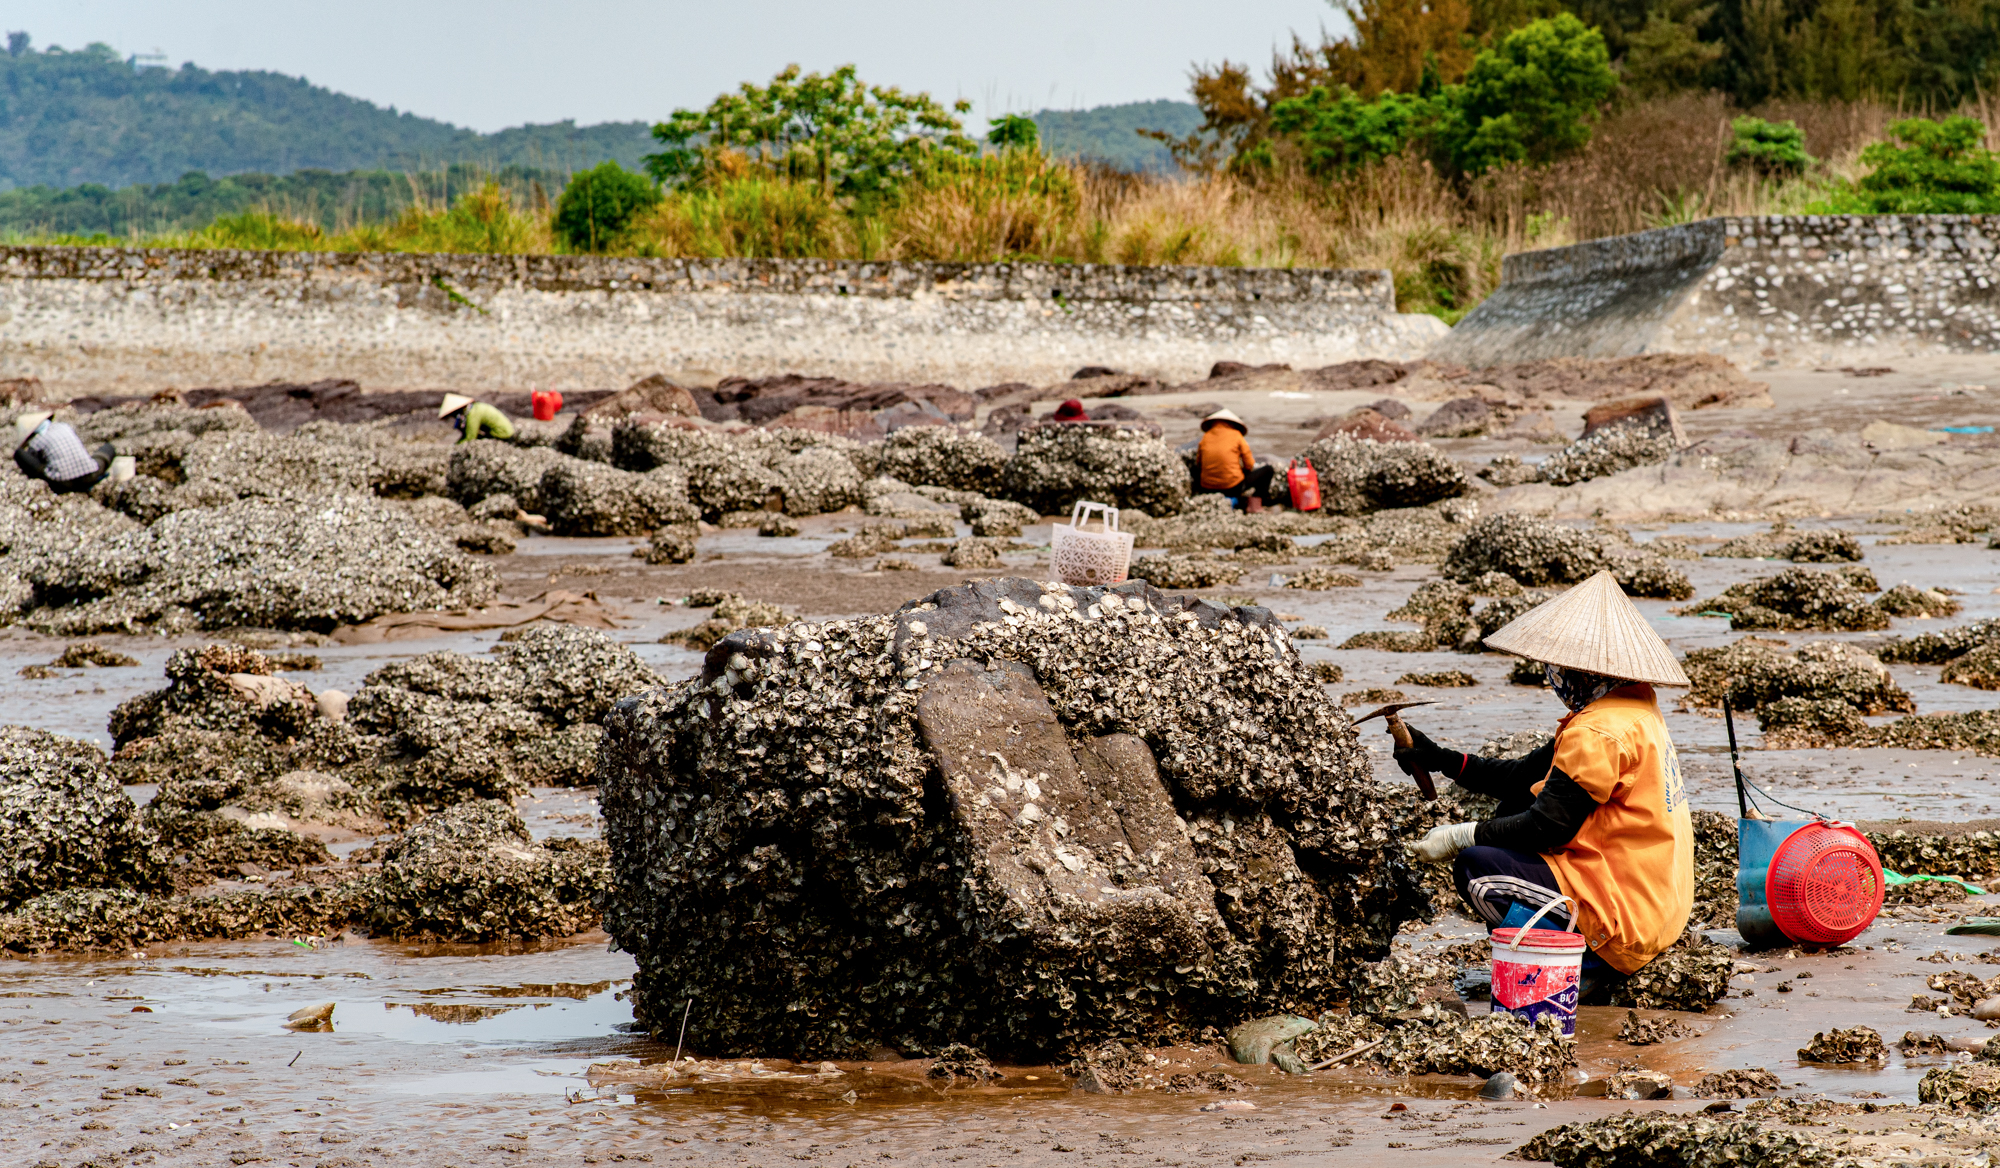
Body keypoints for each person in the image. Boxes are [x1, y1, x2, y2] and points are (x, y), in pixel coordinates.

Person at [1393, 570, 1694, 1003]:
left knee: (1478, 870)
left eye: (1555, 668)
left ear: (1580, 669)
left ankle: (1580, 965)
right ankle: (1577, 952)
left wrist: (1461, 835)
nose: (1551, 677)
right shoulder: (1630, 705)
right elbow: (1520, 776)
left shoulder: (1599, 732)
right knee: (1512, 805)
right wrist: (1439, 758)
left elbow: (1547, 828)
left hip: (1626, 915)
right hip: (1656, 902)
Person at [13, 411, 113, 494]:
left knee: (19, 454)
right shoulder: (64, 426)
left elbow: (34, 463)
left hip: (63, 483)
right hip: (90, 476)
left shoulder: (36, 441)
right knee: (108, 448)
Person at [1195, 409, 1274, 512]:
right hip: (1231, 488)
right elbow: (1250, 464)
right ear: (1232, 423)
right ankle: (1255, 506)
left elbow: (1199, 463)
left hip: (1207, 488)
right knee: (1268, 470)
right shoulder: (1236, 435)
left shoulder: (1206, 437)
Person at [439, 393, 515, 444]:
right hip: (506, 431)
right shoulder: (474, 408)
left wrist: (455, 446)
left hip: (503, 434)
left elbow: (471, 437)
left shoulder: (473, 414)